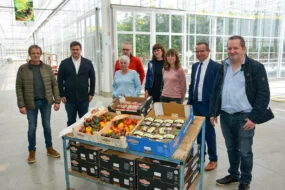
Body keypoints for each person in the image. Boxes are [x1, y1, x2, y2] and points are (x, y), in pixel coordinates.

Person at [210, 35, 274, 190]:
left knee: (245, 152)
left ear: (244, 49)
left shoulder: (256, 67)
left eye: (235, 48)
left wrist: (253, 118)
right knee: (231, 149)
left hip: (245, 118)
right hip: (226, 116)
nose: (232, 51)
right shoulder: (223, 67)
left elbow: (263, 95)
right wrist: (213, 112)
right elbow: (216, 90)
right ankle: (233, 174)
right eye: (229, 48)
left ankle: (245, 181)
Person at [16, 45, 61, 164]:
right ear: (29, 54)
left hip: (46, 102)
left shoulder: (47, 68)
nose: (36, 55)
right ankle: (32, 151)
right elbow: (19, 87)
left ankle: (49, 148)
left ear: (40, 54)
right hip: (31, 104)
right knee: (32, 128)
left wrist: (57, 100)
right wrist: (21, 105)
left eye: (37, 53)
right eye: (33, 53)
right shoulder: (23, 69)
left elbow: (54, 84)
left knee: (47, 126)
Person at [187, 42, 221, 171]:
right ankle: (201, 156)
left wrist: (214, 111)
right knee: (198, 133)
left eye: (202, 51)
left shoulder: (216, 67)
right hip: (196, 105)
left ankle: (213, 159)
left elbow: (218, 90)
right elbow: (192, 85)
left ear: (208, 51)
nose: (199, 54)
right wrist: (189, 103)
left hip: (208, 106)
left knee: (209, 133)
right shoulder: (195, 66)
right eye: (197, 51)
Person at [57, 41, 96, 127]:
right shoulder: (64, 63)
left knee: (84, 120)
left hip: (84, 97)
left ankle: (83, 140)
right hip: (69, 98)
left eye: (77, 49)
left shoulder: (87, 62)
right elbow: (59, 80)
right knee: (71, 120)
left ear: (80, 50)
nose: (75, 51)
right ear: (70, 50)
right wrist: (62, 94)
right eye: (73, 49)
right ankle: (72, 140)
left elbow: (92, 78)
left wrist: (91, 93)